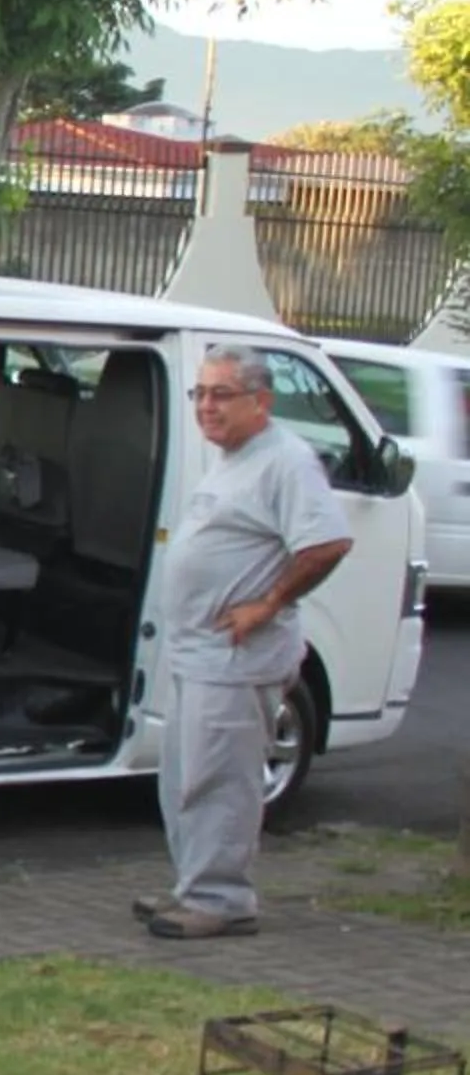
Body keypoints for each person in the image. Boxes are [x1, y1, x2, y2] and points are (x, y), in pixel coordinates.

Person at [140, 345, 353, 940]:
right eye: (201, 393)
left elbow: (328, 544)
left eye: (222, 394)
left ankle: (221, 899)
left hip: (237, 656)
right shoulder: (233, 457)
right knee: (184, 776)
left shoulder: (286, 461)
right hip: (199, 652)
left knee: (221, 778)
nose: (206, 406)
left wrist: (268, 603)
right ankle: (193, 885)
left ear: (261, 402)